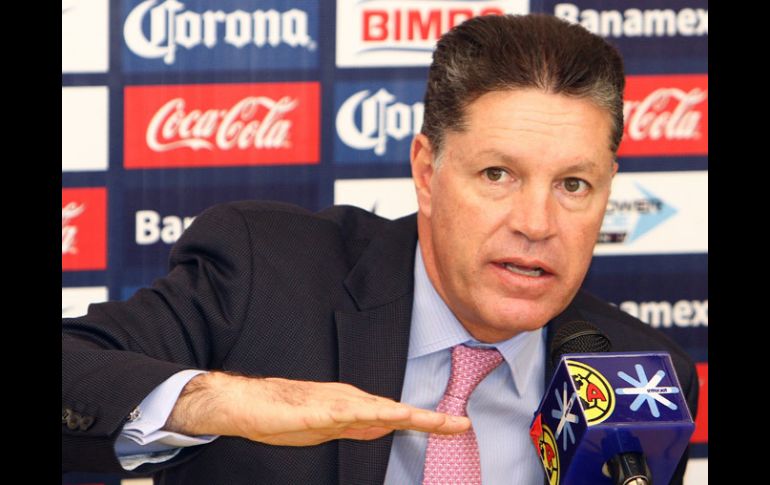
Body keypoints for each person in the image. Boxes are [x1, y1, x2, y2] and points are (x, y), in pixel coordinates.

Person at [63, 13, 699, 485]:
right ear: (426, 170)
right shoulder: (263, 278)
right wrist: (225, 401)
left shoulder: (642, 377)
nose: (536, 224)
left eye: (573, 185)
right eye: (497, 174)